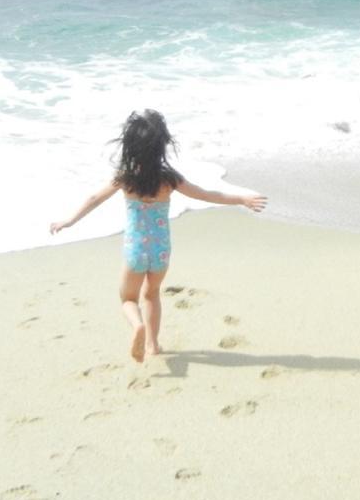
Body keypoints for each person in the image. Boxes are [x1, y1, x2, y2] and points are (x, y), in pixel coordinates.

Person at [50, 109, 266, 362]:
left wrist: (69, 220)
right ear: (162, 146)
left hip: (135, 252)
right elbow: (207, 194)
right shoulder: (169, 179)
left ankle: (137, 326)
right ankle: (152, 345)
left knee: (128, 299)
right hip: (161, 251)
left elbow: (94, 198)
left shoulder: (125, 178)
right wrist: (241, 198)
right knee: (152, 293)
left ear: (130, 146)